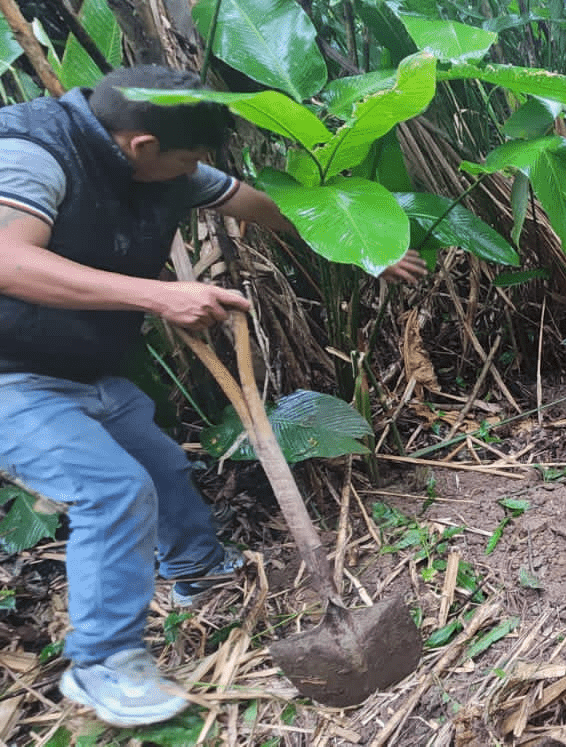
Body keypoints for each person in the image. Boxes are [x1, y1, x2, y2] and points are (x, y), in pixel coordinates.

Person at [0, 65, 425, 727]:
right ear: (141, 145)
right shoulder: (33, 153)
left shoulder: (158, 164)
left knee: (162, 465)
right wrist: (161, 294)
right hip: (11, 377)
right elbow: (9, 260)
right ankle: (102, 663)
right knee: (111, 488)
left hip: (83, 365)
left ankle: (200, 572)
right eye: (190, 156)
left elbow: (256, 206)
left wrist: (362, 247)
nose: (197, 169)